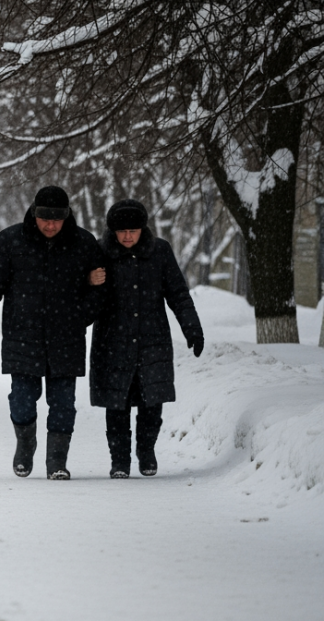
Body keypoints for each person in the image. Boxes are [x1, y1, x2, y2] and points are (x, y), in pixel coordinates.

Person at [0, 186, 106, 479]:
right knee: (21, 398)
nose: (50, 225)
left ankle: (57, 461)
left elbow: (101, 288)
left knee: (62, 403)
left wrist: (78, 316)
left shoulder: (84, 242)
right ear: (34, 214)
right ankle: (25, 441)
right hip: (23, 334)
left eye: (57, 219)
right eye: (45, 218)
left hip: (66, 338)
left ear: (67, 217)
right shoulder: (11, 240)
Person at [88, 199, 202, 478]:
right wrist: (90, 282)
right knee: (117, 405)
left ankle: (146, 451)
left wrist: (192, 328)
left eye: (133, 230)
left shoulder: (159, 251)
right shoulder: (100, 252)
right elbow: (82, 299)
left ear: (143, 229)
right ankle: (119, 460)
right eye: (122, 230)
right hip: (112, 341)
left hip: (153, 340)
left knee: (152, 402)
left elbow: (177, 293)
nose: (128, 236)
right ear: (112, 231)